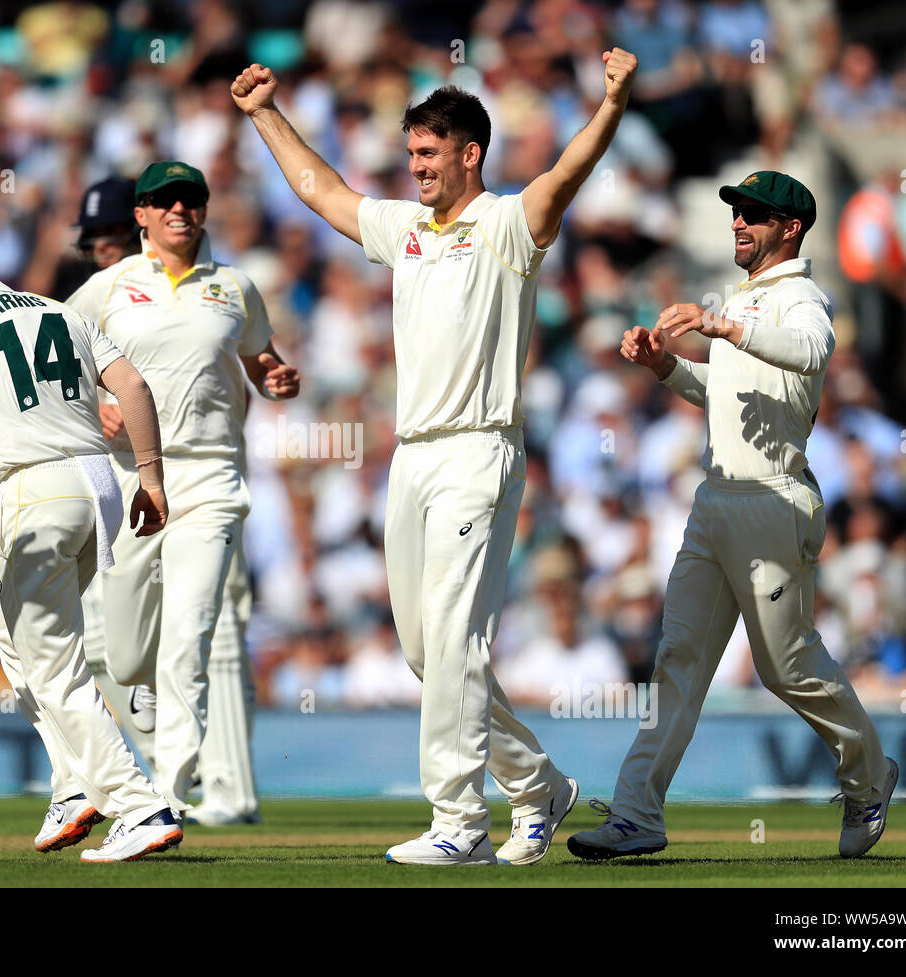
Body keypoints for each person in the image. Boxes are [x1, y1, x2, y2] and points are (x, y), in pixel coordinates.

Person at [231, 50, 640, 866]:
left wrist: (614, 103)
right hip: (411, 460)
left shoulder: (507, 226)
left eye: (427, 154)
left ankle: (459, 821)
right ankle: (537, 786)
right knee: (425, 652)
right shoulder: (407, 230)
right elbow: (321, 192)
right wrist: (264, 114)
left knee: (455, 639)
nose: (414, 168)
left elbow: (566, 174)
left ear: (469, 154)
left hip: (478, 451)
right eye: (409, 154)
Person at [568, 171, 897, 861]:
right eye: (736, 213)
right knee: (678, 661)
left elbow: (812, 351)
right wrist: (665, 367)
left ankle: (870, 775)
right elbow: (721, 391)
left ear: (790, 228)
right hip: (715, 500)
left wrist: (722, 323)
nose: (738, 223)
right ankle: (636, 813)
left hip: (773, 501)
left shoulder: (803, 298)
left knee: (786, 666)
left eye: (754, 214)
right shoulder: (746, 300)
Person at [0, 231, 183, 863]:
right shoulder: (62, 311)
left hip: (33, 492)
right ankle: (74, 784)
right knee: (15, 641)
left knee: (51, 659)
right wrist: (151, 477)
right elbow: (133, 387)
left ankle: (139, 806)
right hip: (100, 487)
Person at [66, 160, 299, 816]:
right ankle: (159, 743)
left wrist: (275, 376)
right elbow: (58, 367)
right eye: (163, 201)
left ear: (202, 210)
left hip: (210, 477)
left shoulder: (235, 286)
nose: (179, 211)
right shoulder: (106, 289)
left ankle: (163, 798)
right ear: (140, 214)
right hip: (132, 477)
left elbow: (258, 359)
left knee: (191, 635)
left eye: (189, 200)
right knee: (126, 649)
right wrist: (93, 404)